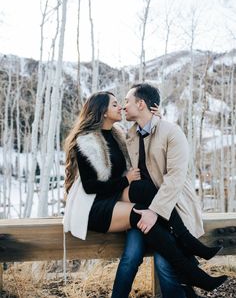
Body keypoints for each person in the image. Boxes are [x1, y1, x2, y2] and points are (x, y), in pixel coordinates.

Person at [63, 91, 227, 294]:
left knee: (144, 190)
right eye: (115, 104)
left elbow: (147, 140)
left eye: (123, 103)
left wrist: (156, 120)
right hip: (94, 206)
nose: (121, 107)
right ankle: (191, 270)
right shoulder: (86, 141)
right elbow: (89, 187)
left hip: (113, 197)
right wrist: (125, 180)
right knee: (140, 218)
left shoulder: (119, 135)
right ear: (103, 111)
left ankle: (187, 245)